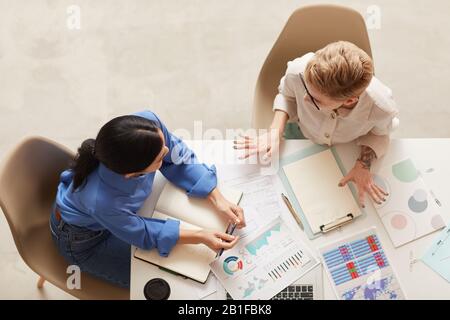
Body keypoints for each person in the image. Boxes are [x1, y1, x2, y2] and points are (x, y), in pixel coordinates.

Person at [50, 110, 245, 288]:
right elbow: (143, 233)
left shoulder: (148, 127)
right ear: (133, 174)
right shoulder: (100, 200)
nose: (166, 151)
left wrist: (216, 197)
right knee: (164, 282)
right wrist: (201, 235)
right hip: (85, 239)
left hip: (118, 216)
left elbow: (177, 157)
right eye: (159, 158)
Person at [235, 41, 399, 207]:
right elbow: (288, 96)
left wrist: (363, 165)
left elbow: (380, 133)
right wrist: (275, 131)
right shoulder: (298, 71)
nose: (305, 99)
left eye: (315, 99)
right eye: (306, 88)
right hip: (299, 130)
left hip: (347, 147)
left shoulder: (381, 107)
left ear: (349, 101)